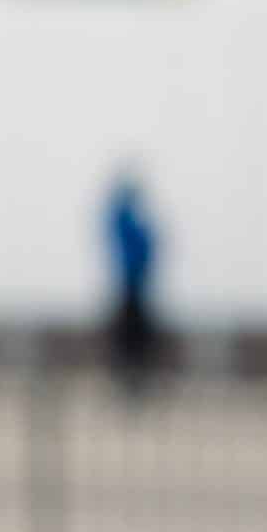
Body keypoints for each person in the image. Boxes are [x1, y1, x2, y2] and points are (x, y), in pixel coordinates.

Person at [104, 169, 164, 397]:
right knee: (131, 339)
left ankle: (135, 382)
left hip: (136, 285)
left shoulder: (129, 220)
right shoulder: (126, 220)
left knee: (135, 339)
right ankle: (130, 384)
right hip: (131, 285)